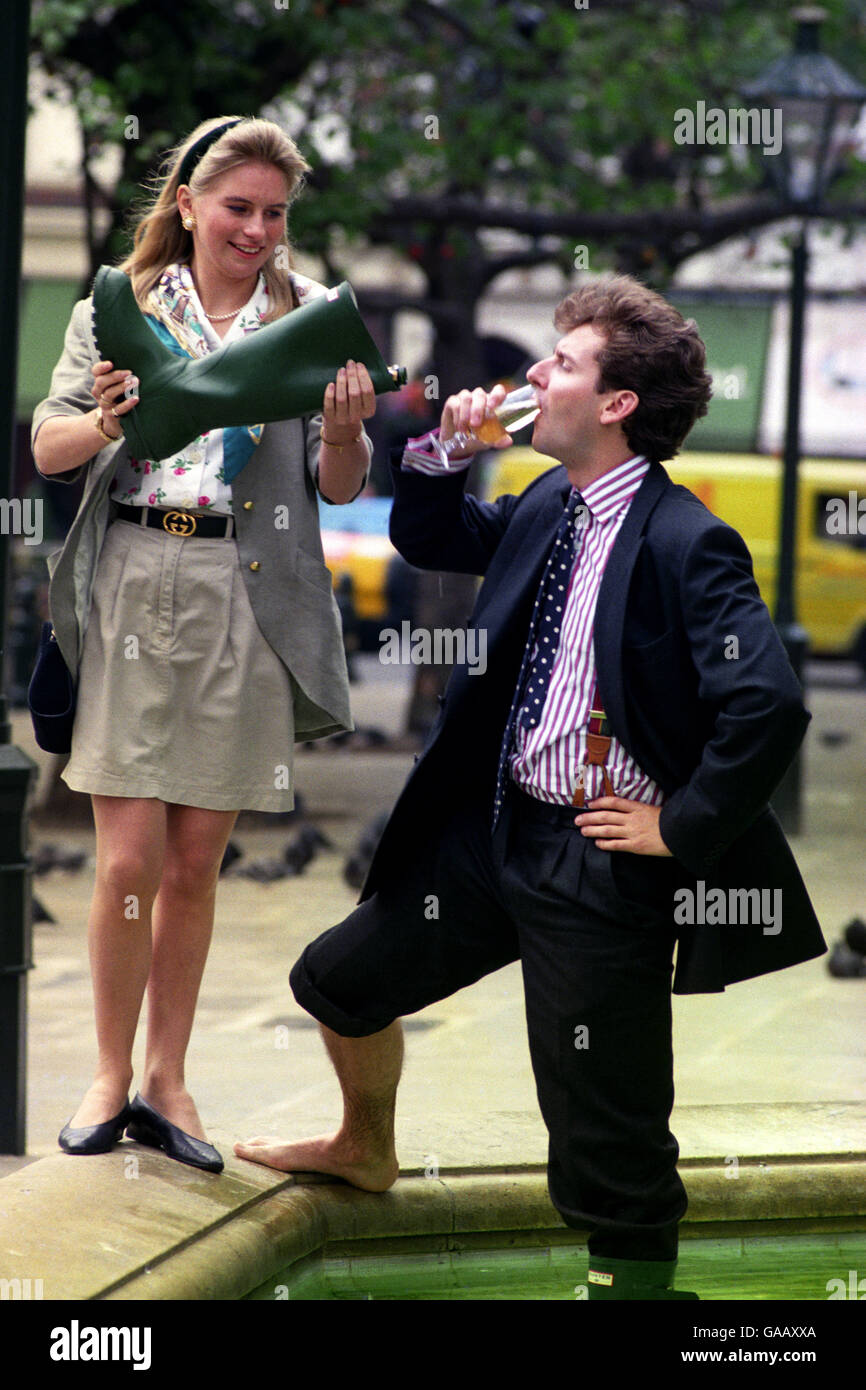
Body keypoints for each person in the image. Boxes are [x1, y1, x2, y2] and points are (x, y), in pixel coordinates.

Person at [235, 274, 826, 1298]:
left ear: (614, 405)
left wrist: (680, 827)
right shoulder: (549, 498)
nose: (533, 375)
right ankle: (363, 1145)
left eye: (560, 363)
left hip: (600, 860)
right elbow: (430, 537)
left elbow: (764, 702)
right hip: (495, 834)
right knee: (337, 980)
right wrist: (440, 455)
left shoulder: (689, 540)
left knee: (606, 1135)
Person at [32, 116, 376, 1172]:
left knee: (193, 861)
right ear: (187, 201)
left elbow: (340, 488)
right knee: (126, 856)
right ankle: (104, 1072)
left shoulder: (308, 315)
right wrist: (107, 419)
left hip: (245, 585)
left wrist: (349, 429)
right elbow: (47, 447)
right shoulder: (115, 305)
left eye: (275, 213)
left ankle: (166, 1079)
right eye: (239, 208)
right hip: (133, 578)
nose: (259, 229)